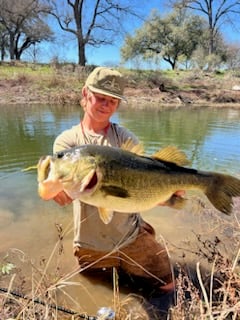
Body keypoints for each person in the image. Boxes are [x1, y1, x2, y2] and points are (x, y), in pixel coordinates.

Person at [52, 66, 183, 303]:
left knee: (168, 284)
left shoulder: (125, 138)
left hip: (131, 236)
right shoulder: (68, 143)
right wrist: (56, 190)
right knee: (95, 293)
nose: (106, 105)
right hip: (90, 243)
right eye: (100, 98)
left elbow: (142, 187)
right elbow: (63, 188)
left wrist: (167, 196)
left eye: (113, 101)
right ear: (85, 94)